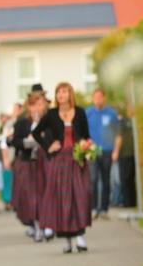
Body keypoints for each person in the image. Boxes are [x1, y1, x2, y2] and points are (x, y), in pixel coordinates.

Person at [32, 82, 92, 253]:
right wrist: (49, 146)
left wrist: (86, 148)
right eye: (58, 92)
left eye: (64, 91)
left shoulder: (80, 112)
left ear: (70, 94)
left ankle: (80, 238)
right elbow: (36, 132)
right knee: (63, 199)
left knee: (80, 196)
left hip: (77, 159)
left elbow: (87, 136)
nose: (61, 95)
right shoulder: (51, 114)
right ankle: (67, 240)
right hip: (60, 161)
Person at [11, 92, 52, 241]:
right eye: (34, 104)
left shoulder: (50, 121)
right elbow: (14, 141)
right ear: (29, 107)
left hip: (45, 163)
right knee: (31, 197)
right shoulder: (22, 123)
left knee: (45, 194)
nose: (37, 108)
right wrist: (25, 143)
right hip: (28, 163)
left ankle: (46, 225)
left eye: (40, 104)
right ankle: (36, 226)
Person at [85, 88, 121, 219]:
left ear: (104, 98)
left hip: (107, 151)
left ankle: (104, 209)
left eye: (100, 97)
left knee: (106, 180)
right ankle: (94, 208)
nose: (98, 99)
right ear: (93, 98)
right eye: (96, 97)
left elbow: (118, 134)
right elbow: (82, 133)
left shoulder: (111, 113)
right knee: (93, 179)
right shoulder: (88, 113)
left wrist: (116, 150)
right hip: (92, 151)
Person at [118, 102, 137, 208]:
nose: (131, 110)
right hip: (124, 154)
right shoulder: (123, 121)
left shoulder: (136, 121)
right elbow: (119, 136)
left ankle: (133, 203)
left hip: (134, 154)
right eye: (130, 108)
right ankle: (127, 203)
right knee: (125, 179)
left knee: (132, 179)